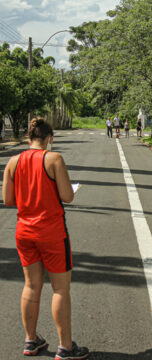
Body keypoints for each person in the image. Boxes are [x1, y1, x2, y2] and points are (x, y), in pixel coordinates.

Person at [2, 118, 89, 359]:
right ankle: (66, 347)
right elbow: (67, 196)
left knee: (31, 286)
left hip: (24, 232)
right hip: (51, 232)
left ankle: (30, 340)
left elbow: (8, 200)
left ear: (29, 137)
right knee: (60, 289)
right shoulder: (53, 159)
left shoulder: (13, 161)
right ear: (49, 138)